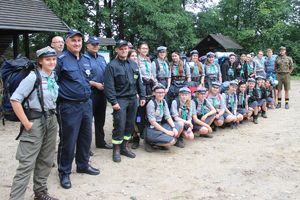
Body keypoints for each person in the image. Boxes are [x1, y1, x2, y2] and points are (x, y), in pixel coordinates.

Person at [9, 47, 59, 200]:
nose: (51, 62)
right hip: (35, 121)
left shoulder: (52, 76)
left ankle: (40, 193)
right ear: (40, 61)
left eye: (53, 59)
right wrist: (26, 123)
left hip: (51, 119)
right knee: (26, 163)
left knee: (46, 159)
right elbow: (15, 99)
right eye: (47, 59)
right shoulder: (33, 77)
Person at [56, 29, 100, 189]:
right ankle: (64, 172)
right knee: (68, 140)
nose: (76, 43)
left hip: (86, 104)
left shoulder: (86, 59)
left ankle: (82, 165)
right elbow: (54, 82)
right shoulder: (60, 60)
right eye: (73, 40)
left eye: (79, 40)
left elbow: (87, 80)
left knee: (85, 137)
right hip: (68, 106)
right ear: (66, 42)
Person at [104, 39, 146, 162]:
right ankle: (116, 150)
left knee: (129, 124)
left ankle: (125, 147)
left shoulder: (133, 64)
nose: (123, 51)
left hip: (133, 99)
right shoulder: (111, 66)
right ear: (116, 50)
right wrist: (113, 102)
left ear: (128, 49)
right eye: (121, 49)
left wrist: (142, 96)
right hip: (120, 100)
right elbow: (109, 86)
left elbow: (139, 82)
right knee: (119, 125)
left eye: (125, 48)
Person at [85, 36, 112, 149]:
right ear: (87, 45)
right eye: (93, 44)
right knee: (87, 121)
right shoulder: (83, 59)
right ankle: (85, 146)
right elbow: (81, 78)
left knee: (101, 119)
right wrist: (95, 84)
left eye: (97, 44)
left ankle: (100, 142)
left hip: (102, 94)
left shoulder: (101, 58)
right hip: (90, 93)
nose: (95, 46)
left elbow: (106, 73)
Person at [144, 84, 183, 152]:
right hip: (152, 128)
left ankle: (165, 141)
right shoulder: (151, 104)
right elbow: (153, 122)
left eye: (162, 92)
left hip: (161, 125)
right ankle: (150, 143)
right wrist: (167, 132)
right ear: (154, 93)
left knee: (179, 125)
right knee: (171, 142)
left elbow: (168, 116)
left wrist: (173, 127)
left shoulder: (164, 102)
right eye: (158, 92)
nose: (161, 94)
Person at [131, 42, 153, 149]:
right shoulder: (136, 60)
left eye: (146, 48)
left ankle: (146, 135)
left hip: (149, 88)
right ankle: (135, 136)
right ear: (139, 49)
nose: (145, 50)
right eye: (143, 48)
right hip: (140, 89)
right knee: (138, 114)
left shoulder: (149, 60)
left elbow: (152, 75)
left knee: (146, 113)